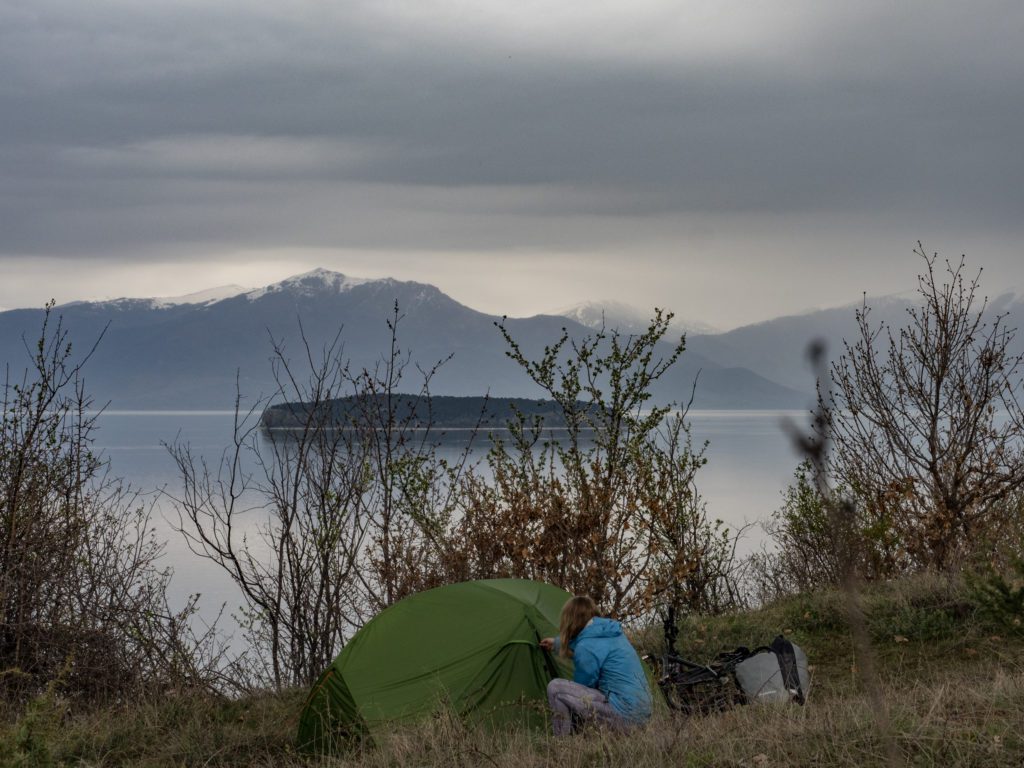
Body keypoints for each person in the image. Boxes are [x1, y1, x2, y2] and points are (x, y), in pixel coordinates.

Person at [539, 595, 652, 736]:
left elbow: (584, 687)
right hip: (641, 715)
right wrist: (556, 643)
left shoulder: (586, 647)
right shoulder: (610, 632)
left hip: (624, 717)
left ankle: (563, 744)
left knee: (556, 689)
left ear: (570, 619)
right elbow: (588, 643)